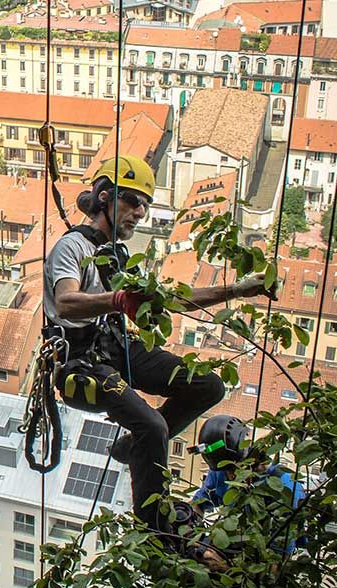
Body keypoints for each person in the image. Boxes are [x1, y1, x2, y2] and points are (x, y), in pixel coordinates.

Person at [44, 155, 277, 535]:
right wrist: (117, 301)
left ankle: (131, 446)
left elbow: (168, 299)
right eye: (133, 201)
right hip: (81, 361)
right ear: (104, 197)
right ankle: (154, 521)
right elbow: (67, 300)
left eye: (145, 205)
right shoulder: (72, 248)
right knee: (153, 426)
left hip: (115, 348)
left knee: (207, 385)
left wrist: (238, 290)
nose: (140, 212)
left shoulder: (119, 258)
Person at [190, 415, 306, 556]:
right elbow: (199, 504)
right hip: (234, 543)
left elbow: (279, 562)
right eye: (226, 470)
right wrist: (187, 523)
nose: (230, 476)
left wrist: (221, 565)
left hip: (263, 557)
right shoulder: (221, 471)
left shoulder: (284, 488)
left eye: (233, 469)